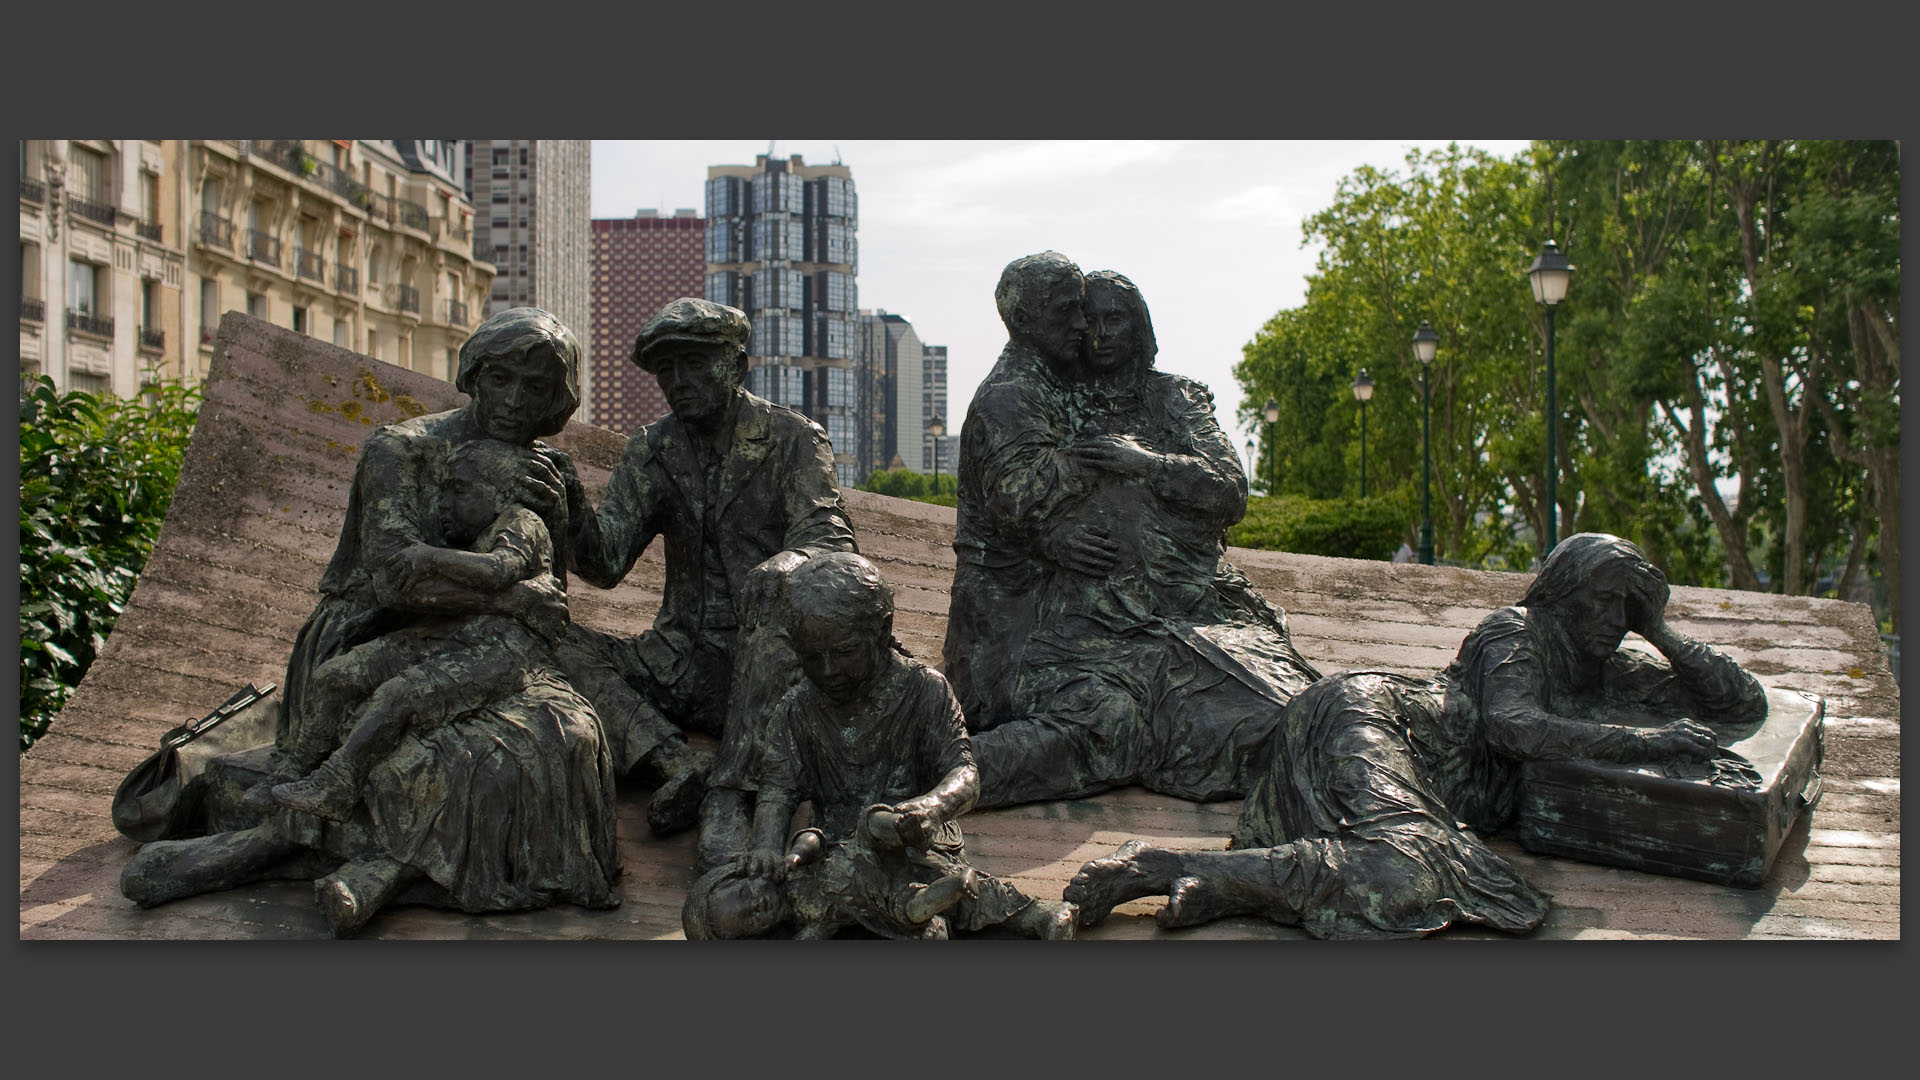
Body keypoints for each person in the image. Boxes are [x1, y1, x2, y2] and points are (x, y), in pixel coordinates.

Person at [121, 307, 623, 937]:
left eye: (539, 388)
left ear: (560, 399)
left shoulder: (548, 468)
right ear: (474, 374)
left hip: (489, 650)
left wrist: (569, 508)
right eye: (502, 379)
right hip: (372, 630)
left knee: (563, 739)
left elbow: (599, 569)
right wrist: (512, 596)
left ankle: (369, 867)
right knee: (426, 745)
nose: (517, 401)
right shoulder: (402, 449)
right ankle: (283, 838)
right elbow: (395, 577)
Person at [1065, 533, 1769, 939]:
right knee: (1402, 881)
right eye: (1609, 599)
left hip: (1407, 764)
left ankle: (1229, 888)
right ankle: (1149, 864)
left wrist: (1661, 628)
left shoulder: (1610, 672)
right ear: (1565, 592)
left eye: (1629, 607)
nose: (1616, 618)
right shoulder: (1518, 632)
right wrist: (1648, 744)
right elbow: (1514, 728)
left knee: (1393, 875)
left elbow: (1742, 703)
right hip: (1372, 718)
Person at [960, 266, 1322, 808]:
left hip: (1171, 605)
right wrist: (1054, 534)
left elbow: (1229, 490)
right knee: (1150, 710)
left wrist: (1145, 465)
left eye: (1114, 319)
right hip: (1081, 625)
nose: (1097, 333)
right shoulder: (1044, 399)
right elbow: (1016, 500)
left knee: (1266, 689)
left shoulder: (1172, 399)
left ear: (1141, 328)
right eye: (1086, 315)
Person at [556, 297, 858, 863]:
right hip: (677, 664)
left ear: (737, 366)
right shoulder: (653, 447)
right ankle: (673, 761)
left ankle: (727, 798)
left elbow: (830, 541)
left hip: (766, 672)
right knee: (545, 636)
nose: (677, 381)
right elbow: (605, 561)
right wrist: (567, 502)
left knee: (776, 630)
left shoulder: (794, 439)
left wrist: (781, 568)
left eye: (693, 364)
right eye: (666, 370)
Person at [701, 552, 1076, 940]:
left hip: (913, 847)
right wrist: (765, 845)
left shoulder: (925, 690)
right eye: (812, 657)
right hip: (835, 855)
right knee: (807, 902)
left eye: (844, 652)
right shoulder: (796, 707)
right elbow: (778, 790)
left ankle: (1033, 915)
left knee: (940, 898)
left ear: (881, 631)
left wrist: (932, 808)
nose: (828, 670)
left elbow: (964, 774)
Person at [266, 437, 569, 822]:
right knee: (336, 676)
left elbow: (499, 569)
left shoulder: (521, 522)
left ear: (499, 492)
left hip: (503, 653)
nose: (443, 503)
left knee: (397, 694)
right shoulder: (470, 536)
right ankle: (294, 769)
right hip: (452, 638)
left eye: (459, 489)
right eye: (443, 491)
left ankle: (337, 784)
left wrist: (429, 557)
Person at [943, 251, 1089, 733]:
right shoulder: (1009, 394)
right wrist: (1100, 458)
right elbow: (1020, 500)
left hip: (1042, 613)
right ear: (1024, 320)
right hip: (1006, 629)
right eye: (1065, 310)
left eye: (1080, 307)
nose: (1081, 323)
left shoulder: (1054, 384)